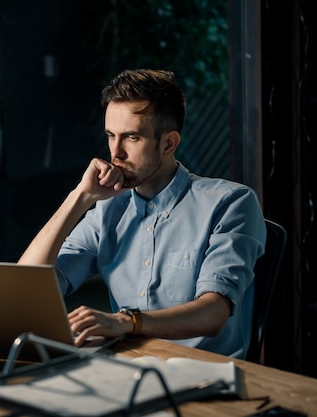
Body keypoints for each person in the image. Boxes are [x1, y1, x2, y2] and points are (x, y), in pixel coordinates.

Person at [18, 69, 266, 358]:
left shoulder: (231, 203)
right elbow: (27, 288)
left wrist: (126, 322)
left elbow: (213, 314)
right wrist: (80, 197)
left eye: (132, 138)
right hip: (126, 369)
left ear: (168, 144)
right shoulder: (108, 209)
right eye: (111, 136)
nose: (116, 152)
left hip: (204, 376)